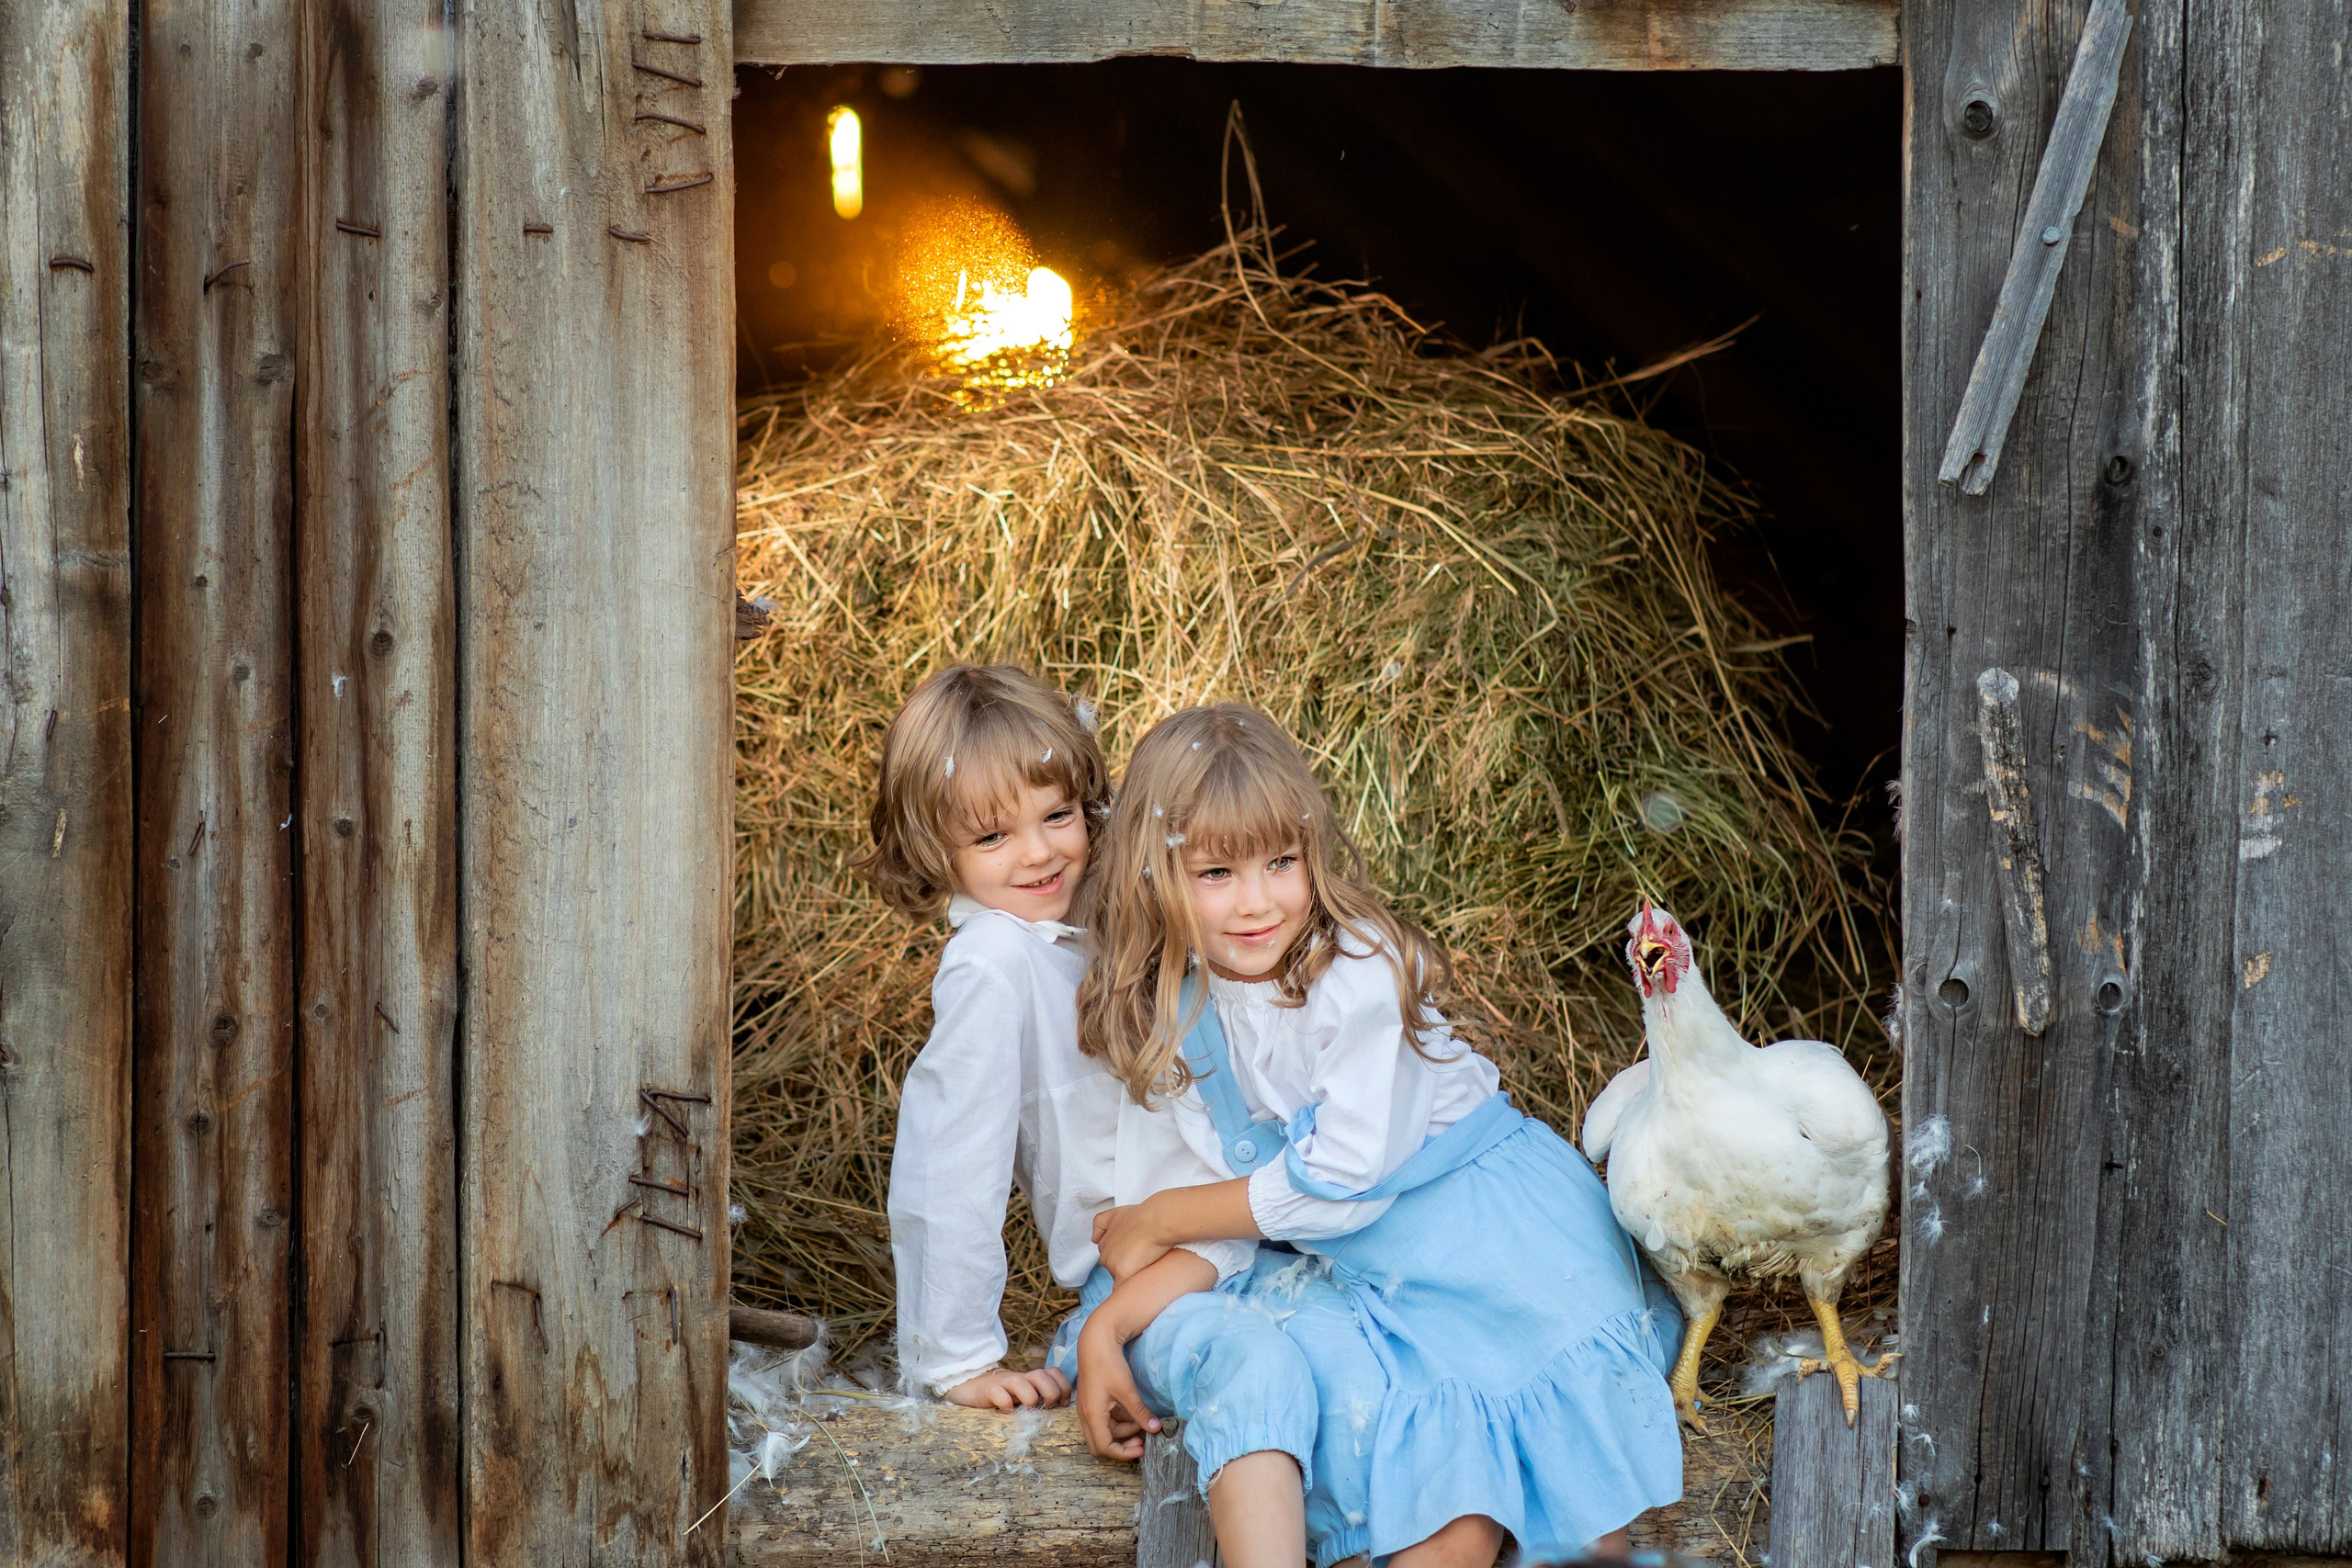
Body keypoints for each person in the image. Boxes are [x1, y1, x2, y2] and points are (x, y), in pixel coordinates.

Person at [1078, 704, 1685, 1565]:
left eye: (1281, 861)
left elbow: (1340, 1181)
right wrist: (1110, 1322)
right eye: (1216, 872)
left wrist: (1168, 1213)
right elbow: (1246, 1221)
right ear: (1153, 876)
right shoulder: (1181, 1006)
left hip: (1494, 1238)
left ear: (1312, 852)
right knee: (1446, 1494)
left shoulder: (1356, 971)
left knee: (1574, 1505)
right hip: (1374, 1274)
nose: (1257, 901)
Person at [866, 665, 1384, 1568]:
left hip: (1244, 1239)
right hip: (1150, 1266)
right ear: (933, 848)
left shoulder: (1100, 919)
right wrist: (956, 1357)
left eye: (1057, 817)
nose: (1038, 855)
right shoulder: (994, 962)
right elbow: (951, 1161)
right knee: (1256, 1375)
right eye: (992, 835)